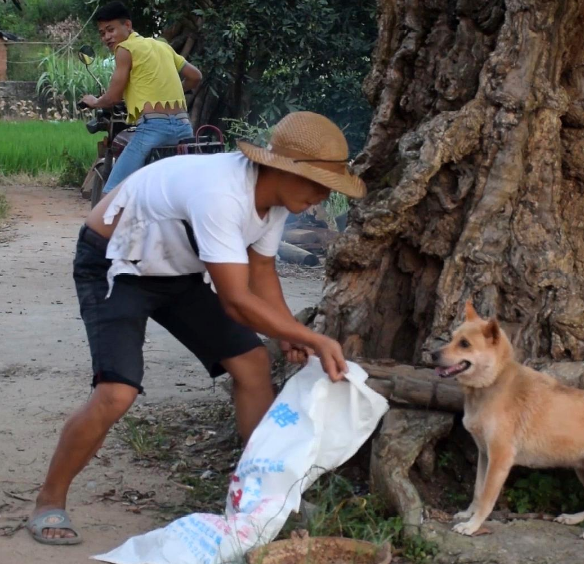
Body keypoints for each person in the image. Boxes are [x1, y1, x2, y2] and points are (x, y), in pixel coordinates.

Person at [27, 111, 367, 545]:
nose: (321, 197)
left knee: (253, 365)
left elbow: (261, 272)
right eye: (317, 184)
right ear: (282, 169)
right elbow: (236, 299)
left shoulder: (276, 202)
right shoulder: (222, 193)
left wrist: (284, 331)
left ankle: (261, 498)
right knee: (117, 391)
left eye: (329, 188)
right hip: (115, 261)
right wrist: (311, 337)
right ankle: (50, 500)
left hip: (175, 271)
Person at [81, 1, 203, 196]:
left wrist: (94, 101)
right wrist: (170, 91)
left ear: (127, 26)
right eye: (102, 33)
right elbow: (195, 76)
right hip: (184, 127)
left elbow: (112, 97)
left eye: (110, 30)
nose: (106, 37)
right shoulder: (162, 46)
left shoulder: (125, 49)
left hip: (153, 129)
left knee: (110, 194)